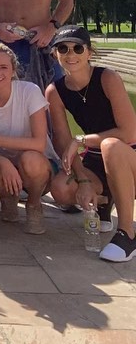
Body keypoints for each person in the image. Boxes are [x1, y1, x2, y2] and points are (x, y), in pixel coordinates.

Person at [46, 26, 136, 263]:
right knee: (61, 188)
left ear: (89, 52)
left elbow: (128, 133)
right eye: (63, 48)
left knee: (111, 146)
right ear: (55, 53)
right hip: (96, 158)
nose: (70, 54)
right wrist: (83, 180)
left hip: (128, 153)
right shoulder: (55, 91)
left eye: (78, 48)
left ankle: (127, 234)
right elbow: (62, 140)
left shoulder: (107, 78)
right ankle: (105, 200)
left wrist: (81, 140)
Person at [0, 43, 59, 234]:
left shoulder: (29, 91)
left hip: (38, 163)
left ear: (13, 70)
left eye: (3, 67)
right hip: (3, 162)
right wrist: (2, 162)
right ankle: (8, 195)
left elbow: (39, 143)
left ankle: (34, 204)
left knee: (30, 159)